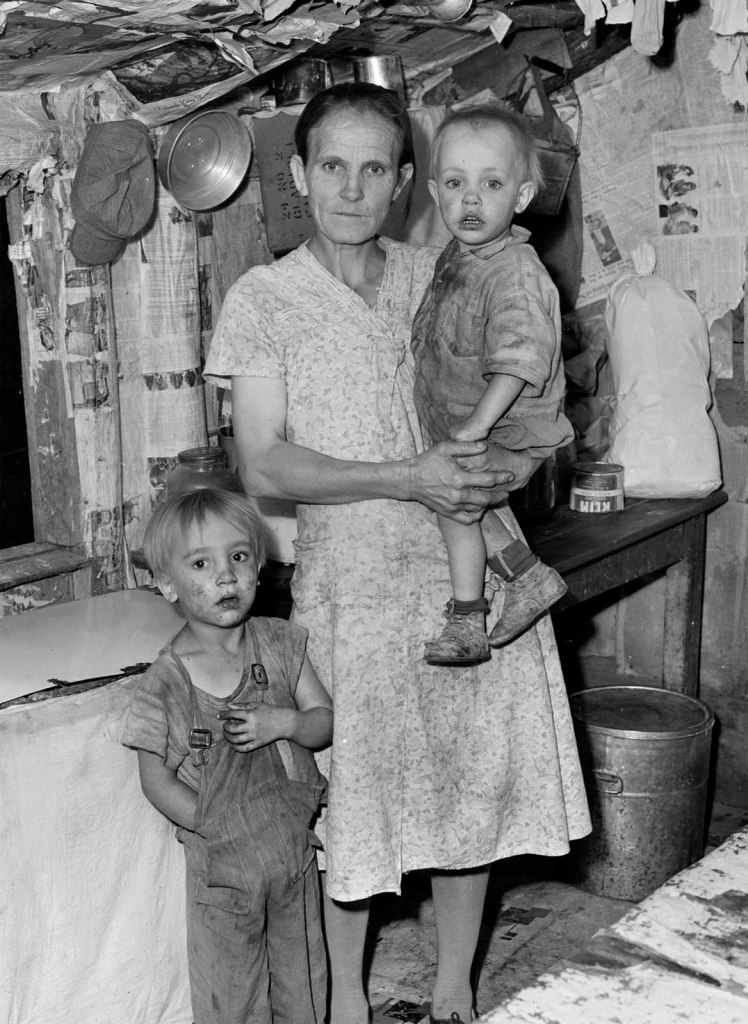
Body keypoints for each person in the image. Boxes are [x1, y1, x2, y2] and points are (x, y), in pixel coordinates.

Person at [203, 83, 590, 1024]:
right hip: (355, 585)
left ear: (406, 181)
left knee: (467, 783)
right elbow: (263, 462)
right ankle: (346, 1001)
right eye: (332, 166)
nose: (352, 188)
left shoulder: (447, 269)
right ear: (300, 176)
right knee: (355, 800)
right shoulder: (265, 299)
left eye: (375, 168)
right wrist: (407, 475)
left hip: (468, 579)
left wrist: (516, 460)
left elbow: (530, 377)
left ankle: (454, 988)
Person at [121, 488, 333, 1024]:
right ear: (167, 584)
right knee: (231, 995)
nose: (226, 576)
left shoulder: (280, 643)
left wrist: (285, 723)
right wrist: (216, 825)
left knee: (303, 982)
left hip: (291, 855)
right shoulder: (164, 685)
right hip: (222, 872)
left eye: (239, 556)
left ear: (258, 566)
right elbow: (155, 781)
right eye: (201, 563)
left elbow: (323, 721)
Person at [412, 105, 572, 666]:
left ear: (522, 196)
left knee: (453, 504)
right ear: (435, 192)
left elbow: (519, 362)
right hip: (471, 423)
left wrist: (476, 427)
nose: (471, 200)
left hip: (508, 428)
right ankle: (528, 578)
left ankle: (466, 621)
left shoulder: (515, 273)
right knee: (465, 504)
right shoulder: (459, 257)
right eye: (456, 184)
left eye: (492, 184)